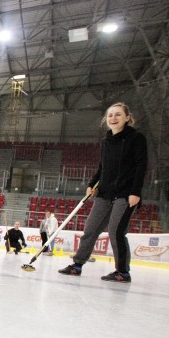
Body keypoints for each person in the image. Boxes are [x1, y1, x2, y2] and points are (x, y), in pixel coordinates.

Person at [59, 102, 148, 283]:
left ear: (127, 118)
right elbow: (103, 167)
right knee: (90, 229)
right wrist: (92, 184)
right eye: (110, 115)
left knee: (116, 231)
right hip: (105, 193)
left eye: (118, 115)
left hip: (125, 194)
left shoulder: (136, 138)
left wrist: (135, 191)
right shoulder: (106, 141)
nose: (113, 118)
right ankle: (77, 265)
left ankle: (122, 272)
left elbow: (141, 166)